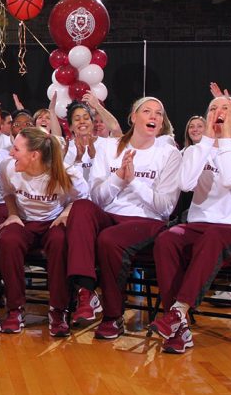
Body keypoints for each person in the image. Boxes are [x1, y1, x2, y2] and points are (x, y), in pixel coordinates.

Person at [149, 96, 231, 353]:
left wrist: (223, 140)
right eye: (212, 108)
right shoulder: (196, 150)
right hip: (201, 226)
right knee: (166, 239)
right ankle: (180, 327)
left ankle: (177, 313)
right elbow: (186, 184)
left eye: (225, 108)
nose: (217, 112)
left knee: (214, 235)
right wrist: (206, 145)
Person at [64, 96, 182, 339]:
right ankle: (86, 292)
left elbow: (165, 208)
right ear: (133, 117)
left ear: (161, 123)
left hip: (147, 221)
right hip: (111, 214)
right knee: (82, 207)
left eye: (159, 114)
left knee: (109, 239)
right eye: (147, 111)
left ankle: (112, 316)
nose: (154, 116)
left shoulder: (169, 153)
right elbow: (97, 198)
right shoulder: (109, 147)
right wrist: (117, 177)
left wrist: (133, 181)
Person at [0, 127, 88, 333]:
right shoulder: (8, 167)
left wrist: (65, 214)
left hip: (53, 221)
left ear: (34, 155)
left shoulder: (65, 172)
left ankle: (58, 310)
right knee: (8, 239)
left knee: (60, 242)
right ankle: (15, 310)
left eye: (16, 149)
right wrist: (12, 214)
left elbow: (82, 199)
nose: (11, 153)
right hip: (24, 221)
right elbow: (7, 191)